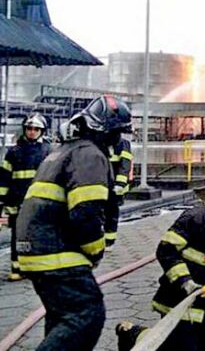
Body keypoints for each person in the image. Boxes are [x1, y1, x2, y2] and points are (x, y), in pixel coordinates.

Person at [16, 95, 132, 350]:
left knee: (62, 318)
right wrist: (95, 249)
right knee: (86, 313)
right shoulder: (90, 155)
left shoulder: (64, 151)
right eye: (116, 133)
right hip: (56, 251)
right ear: (104, 131)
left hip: (33, 249)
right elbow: (85, 213)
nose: (117, 140)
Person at [117, 172, 205, 351]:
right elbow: (166, 250)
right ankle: (133, 334)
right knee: (177, 347)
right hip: (178, 300)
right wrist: (186, 283)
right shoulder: (196, 218)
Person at [0, 113, 51, 281]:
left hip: (41, 203)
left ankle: (37, 268)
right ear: (24, 130)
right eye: (29, 128)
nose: (32, 132)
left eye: (36, 129)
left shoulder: (48, 152)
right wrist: (2, 201)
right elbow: (4, 179)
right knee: (18, 236)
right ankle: (17, 268)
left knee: (40, 235)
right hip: (17, 203)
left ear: (42, 131)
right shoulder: (13, 152)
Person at [105, 136, 134, 249]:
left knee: (111, 213)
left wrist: (120, 184)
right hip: (101, 184)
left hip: (115, 186)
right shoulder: (99, 142)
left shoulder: (122, 144)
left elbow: (124, 165)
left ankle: (109, 241)